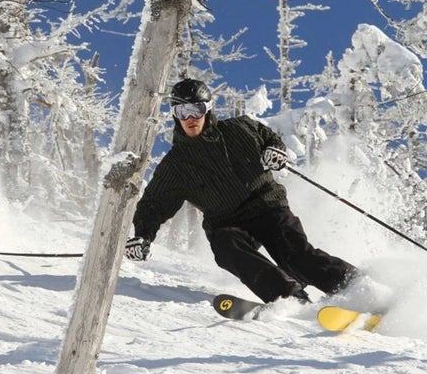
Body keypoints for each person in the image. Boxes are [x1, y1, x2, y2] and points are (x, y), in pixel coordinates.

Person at [124, 78, 357, 305]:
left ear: (207, 109)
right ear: (175, 115)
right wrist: (143, 236)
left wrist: (275, 150)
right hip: (226, 222)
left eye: (196, 109)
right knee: (226, 248)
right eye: (182, 111)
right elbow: (154, 204)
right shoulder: (176, 165)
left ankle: (356, 287)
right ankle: (289, 298)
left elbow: (269, 138)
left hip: (268, 207)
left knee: (295, 256)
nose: (190, 118)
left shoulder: (239, 129)